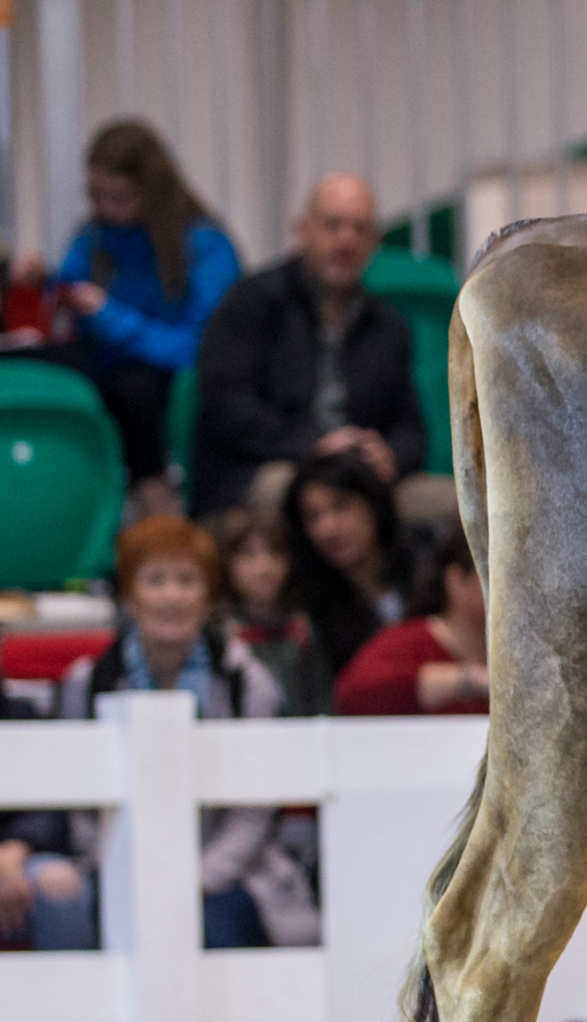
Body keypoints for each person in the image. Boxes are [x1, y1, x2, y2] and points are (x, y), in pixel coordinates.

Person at [43, 516, 318, 1022]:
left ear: (208, 594)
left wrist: (187, 877)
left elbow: (255, 813)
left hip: (227, 876)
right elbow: (77, 806)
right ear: (129, 595)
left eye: (186, 580)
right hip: (117, 870)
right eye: (155, 580)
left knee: (214, 928)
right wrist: (128, 872)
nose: (170, 595)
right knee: (78, 914)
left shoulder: (246, 680)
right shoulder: (88, 679)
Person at [6, 119, 242, 520]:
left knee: (133, 389)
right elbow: (71, 296)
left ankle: (157, 508)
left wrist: (110, 316)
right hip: (99, 360)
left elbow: (202, 344)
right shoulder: (94, 237)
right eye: (97, 195)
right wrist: (44, 284)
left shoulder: (204, 245)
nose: (107, 208)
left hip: (164, 374)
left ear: (152, 190)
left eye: (120, 197)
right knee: (25, 365)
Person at [189, 172, 429, 518]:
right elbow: (226, 406)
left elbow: (411, 428)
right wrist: (314, 447)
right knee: (302, 498)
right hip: (264, 469)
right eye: (333, 225)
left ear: (374, 241)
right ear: (304, 231)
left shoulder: (389, 325)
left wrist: (390, 454)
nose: (346, 239)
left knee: (454, 505)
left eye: (360, 229)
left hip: (360, 478)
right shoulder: (252, 302)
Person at [283, 448, 422, 683]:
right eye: (312, 516)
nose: (327, 529)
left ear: (372, 503)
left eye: (340, 506)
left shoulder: (426, 566)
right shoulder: (310, 608)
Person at [335, 520, 491, 714]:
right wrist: (468, 680)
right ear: (457, 580)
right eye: (495, 576)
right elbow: (352, 693)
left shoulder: (519, 652)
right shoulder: (407, 641)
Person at [211, 505, 330, 715]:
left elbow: (323, 703)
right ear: (227, 562)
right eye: (249, 554)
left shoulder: (303, 629)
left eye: (275, 552)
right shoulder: (216, 633)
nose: (265, 566)